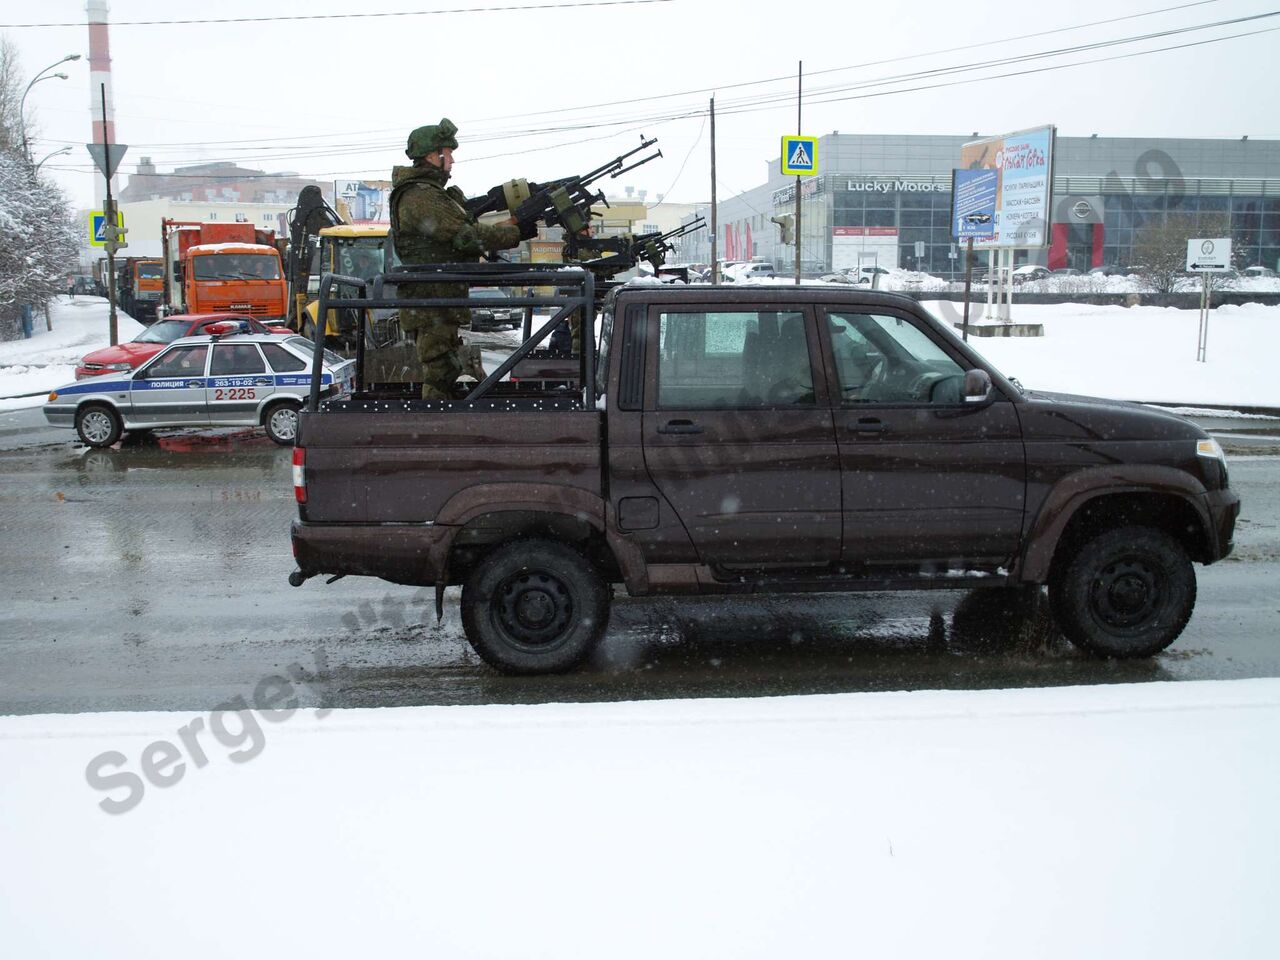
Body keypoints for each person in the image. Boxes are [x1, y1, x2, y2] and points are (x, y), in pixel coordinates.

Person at [389, 118, 527, 400]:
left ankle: (438, 427)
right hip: (430, 302)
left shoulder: (432, 194)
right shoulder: (419, 196)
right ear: (432, 156)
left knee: (446, 370)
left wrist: (510, 226)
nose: (452, 160)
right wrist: (515, 232)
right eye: (447, 153)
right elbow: (465, 237)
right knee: (440, 374)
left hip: (438, 300)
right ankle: (434, 429)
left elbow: (463, 232)